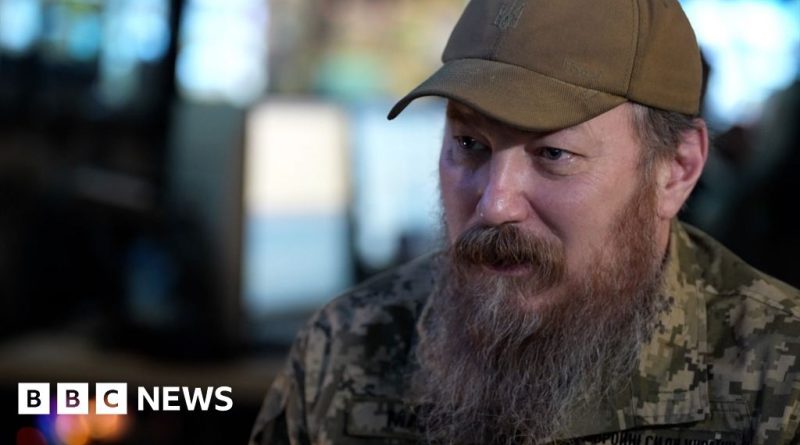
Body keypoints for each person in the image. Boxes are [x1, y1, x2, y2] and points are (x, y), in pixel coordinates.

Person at [249, 0, 800, 443]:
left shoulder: (779, 377)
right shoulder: (347, 348)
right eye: (469, 144)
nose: (494, 205)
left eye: (552, 154)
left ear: (675, 171)